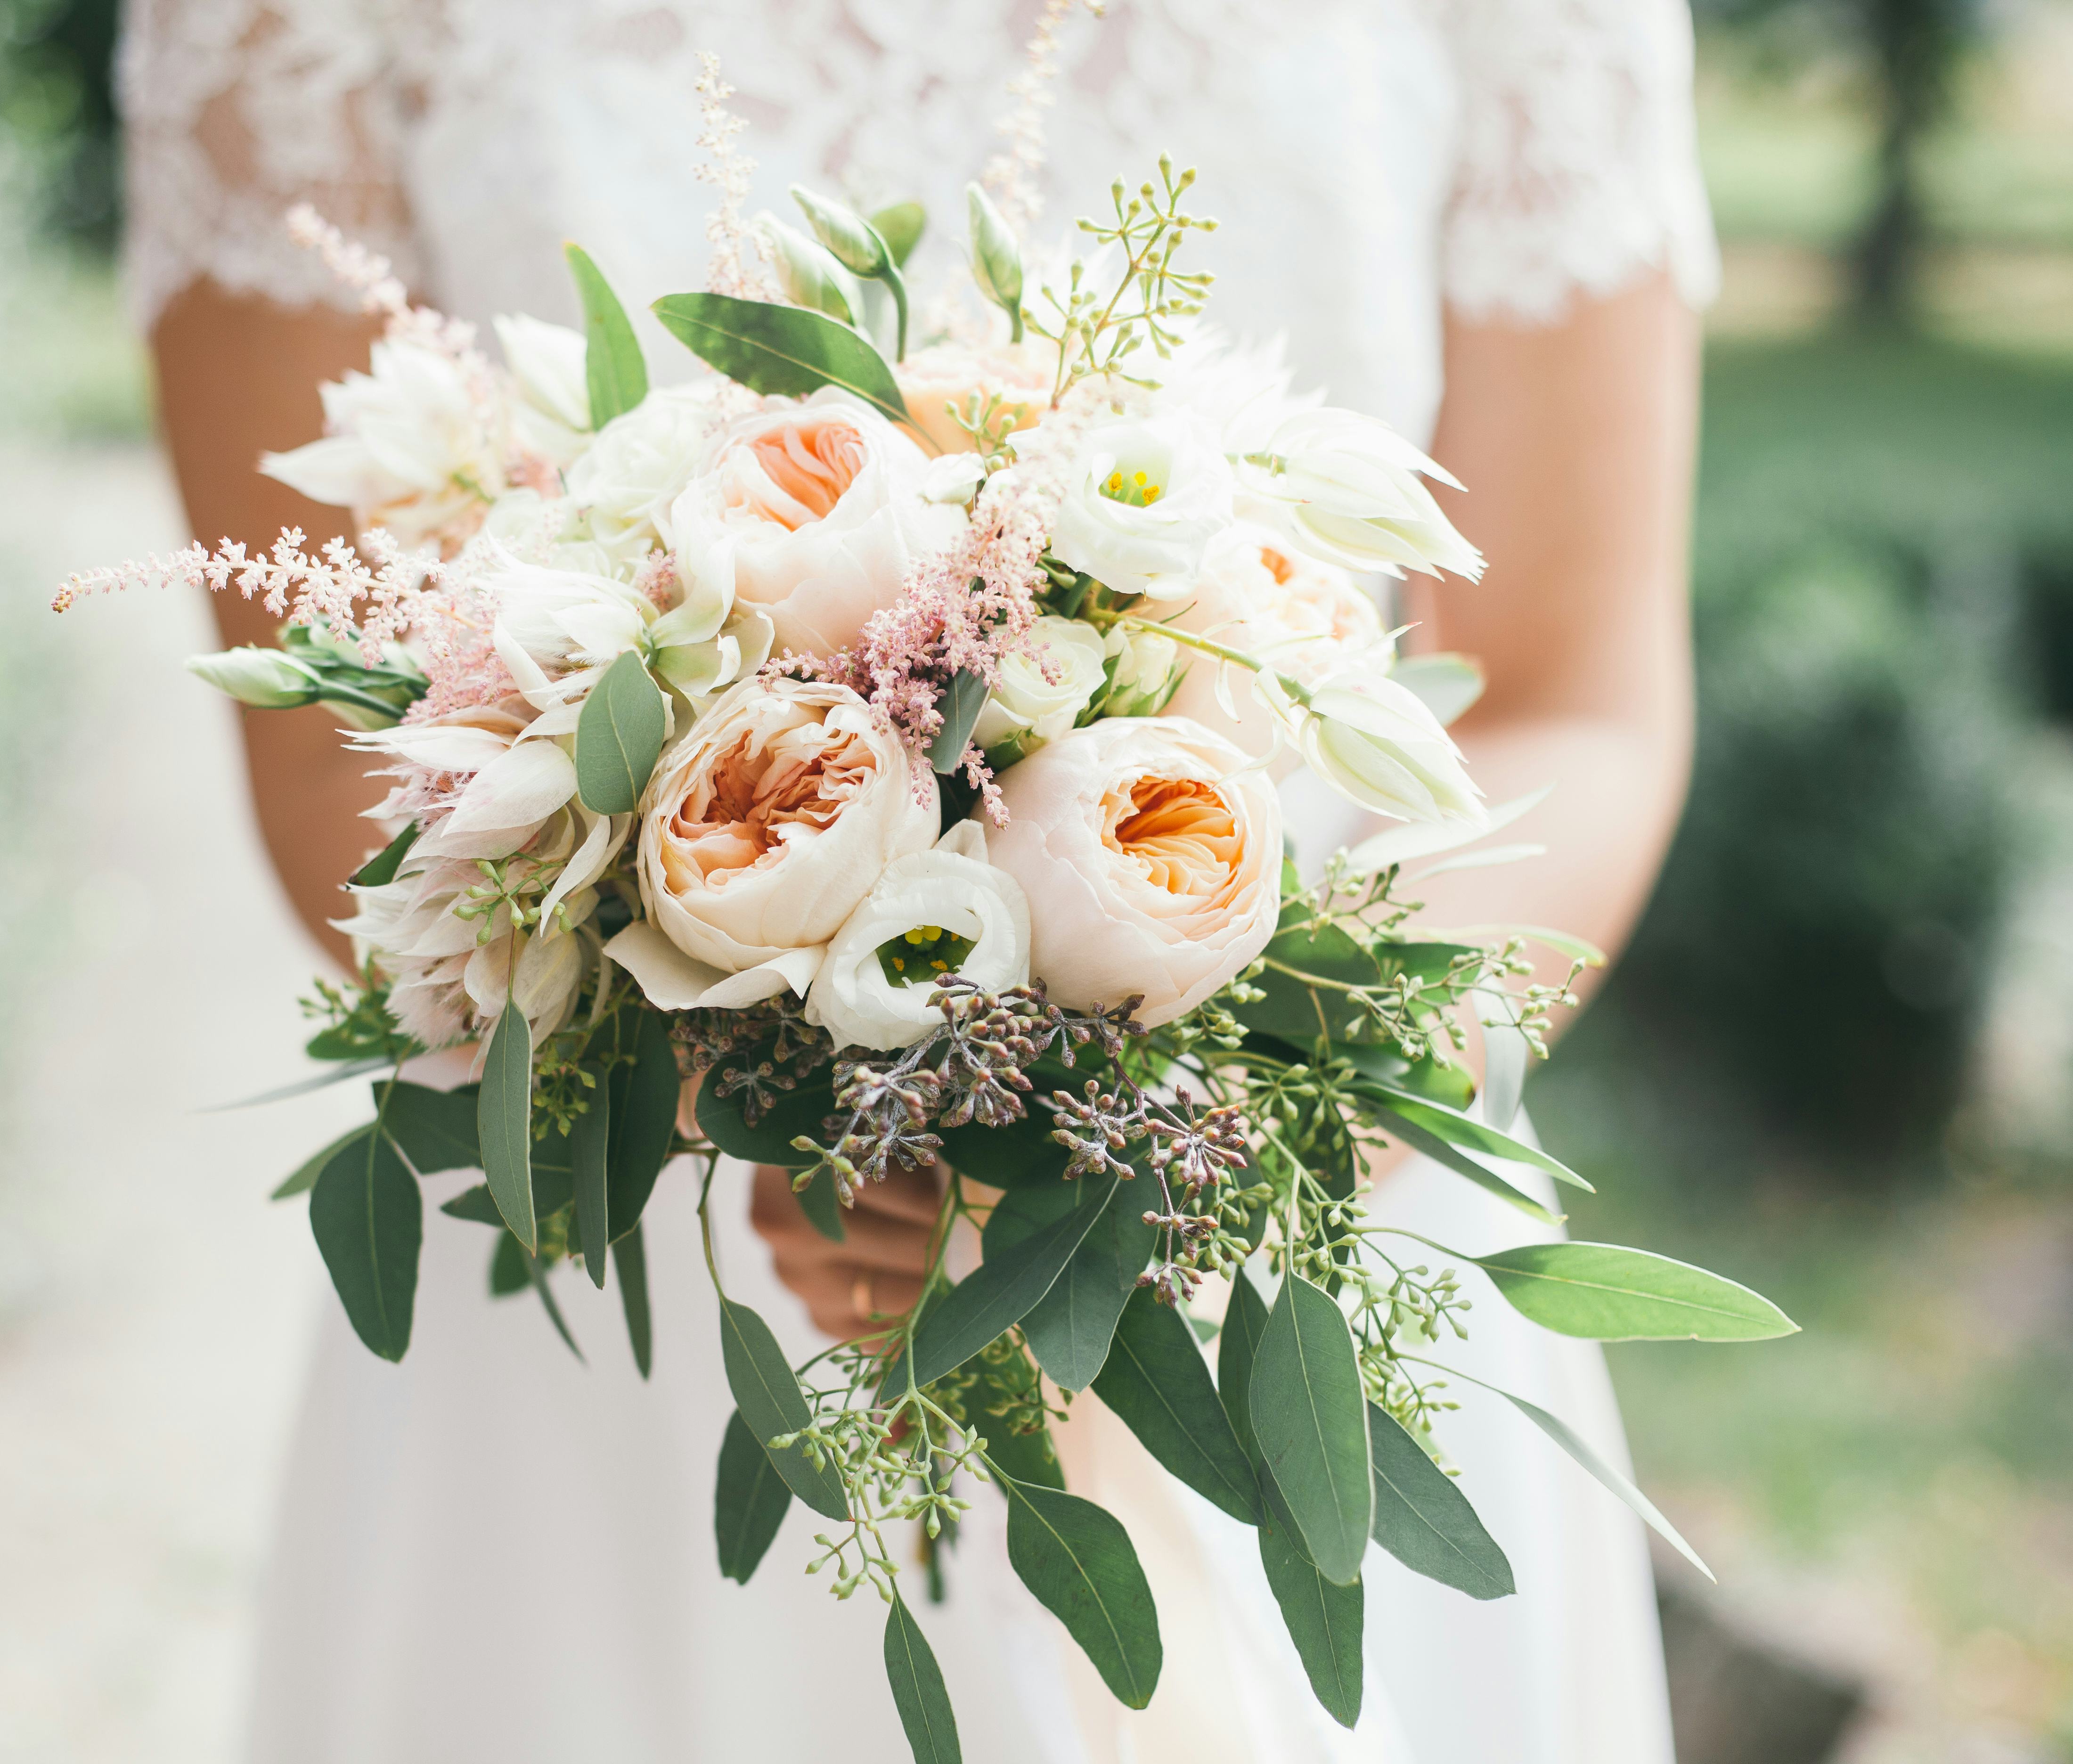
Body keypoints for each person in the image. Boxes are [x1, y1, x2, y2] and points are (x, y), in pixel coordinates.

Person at [123, 1, 1710, 1756]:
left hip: (1283, 1232)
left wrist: (1180, 1161)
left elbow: (1577, 698)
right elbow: (333, 761)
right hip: (643, 1275)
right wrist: (802, 1118)